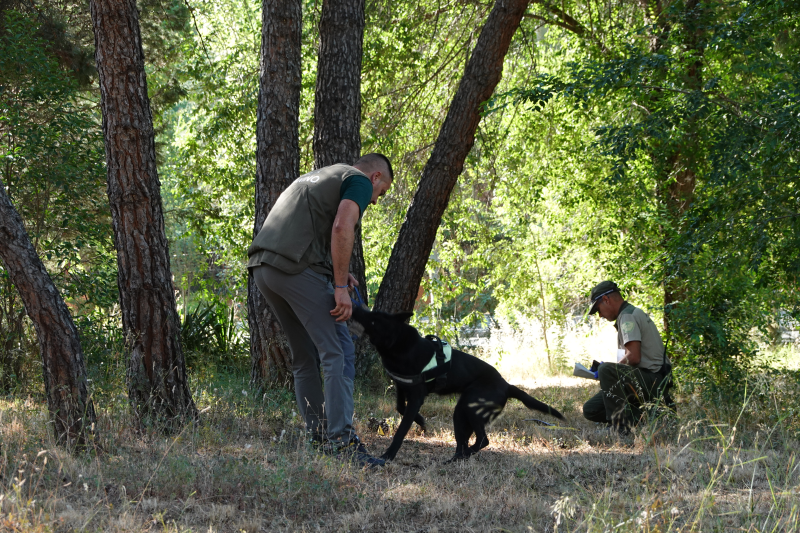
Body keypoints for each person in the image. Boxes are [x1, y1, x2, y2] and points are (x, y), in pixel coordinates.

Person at [247, 153, 393, 467]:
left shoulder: (317, 176)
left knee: (304, 357)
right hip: (295, 270)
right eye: (381, 193)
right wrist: (340, 288)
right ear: (376, 177)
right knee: (337, 350)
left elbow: (311, 228)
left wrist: (336, 271)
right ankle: (343, 445)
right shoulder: (358, 181)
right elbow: (342, 228)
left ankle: (321, 440)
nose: (376, 201)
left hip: (264, 268)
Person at [582, 281, 672, 434]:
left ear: (606, 299)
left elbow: (634, 357)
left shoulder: (627, 317)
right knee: (590, 409)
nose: (601, 315)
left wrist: (609, 370)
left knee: (606, 369)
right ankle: (649, 416)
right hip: (650, 380)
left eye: (598, 310)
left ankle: (619, 427)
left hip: (653, 380)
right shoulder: (629, 314)